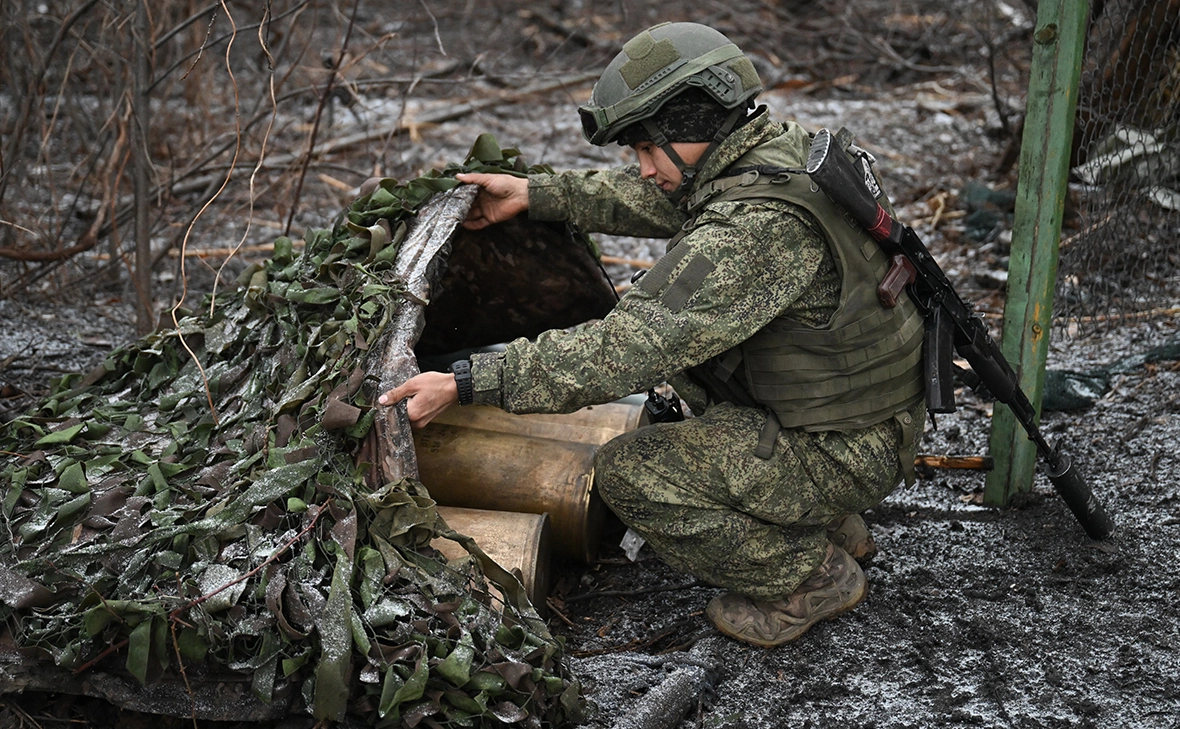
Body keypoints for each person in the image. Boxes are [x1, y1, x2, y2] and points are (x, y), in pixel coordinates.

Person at [379, 21, 926, 647]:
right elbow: (664, 200)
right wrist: (537, 195)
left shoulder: (753, 231)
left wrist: (469, 380)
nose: (641, 169)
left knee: (632, 474)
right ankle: (825, 516)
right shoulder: (778, 154)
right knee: (702, 383)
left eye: (645, 150)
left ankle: (809, 576)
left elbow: (626, 349)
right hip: (859, 413)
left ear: (691, 130)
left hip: (846, 442)